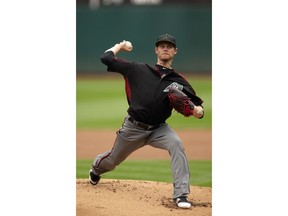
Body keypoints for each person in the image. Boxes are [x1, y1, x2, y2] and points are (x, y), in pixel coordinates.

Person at [89, 34, 204, 209]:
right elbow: (106, 58)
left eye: (169, 46)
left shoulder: (179, 81)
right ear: (156, 50)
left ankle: (181, 195)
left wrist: (197, 111)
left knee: (176, 144)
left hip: (160, 129)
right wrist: (120, 46)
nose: (165, 48)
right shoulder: (137, 69)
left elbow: (198, 108)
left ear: (175, 51)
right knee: (111, 161)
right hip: (133, 128)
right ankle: (96, 169)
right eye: (161, 45)